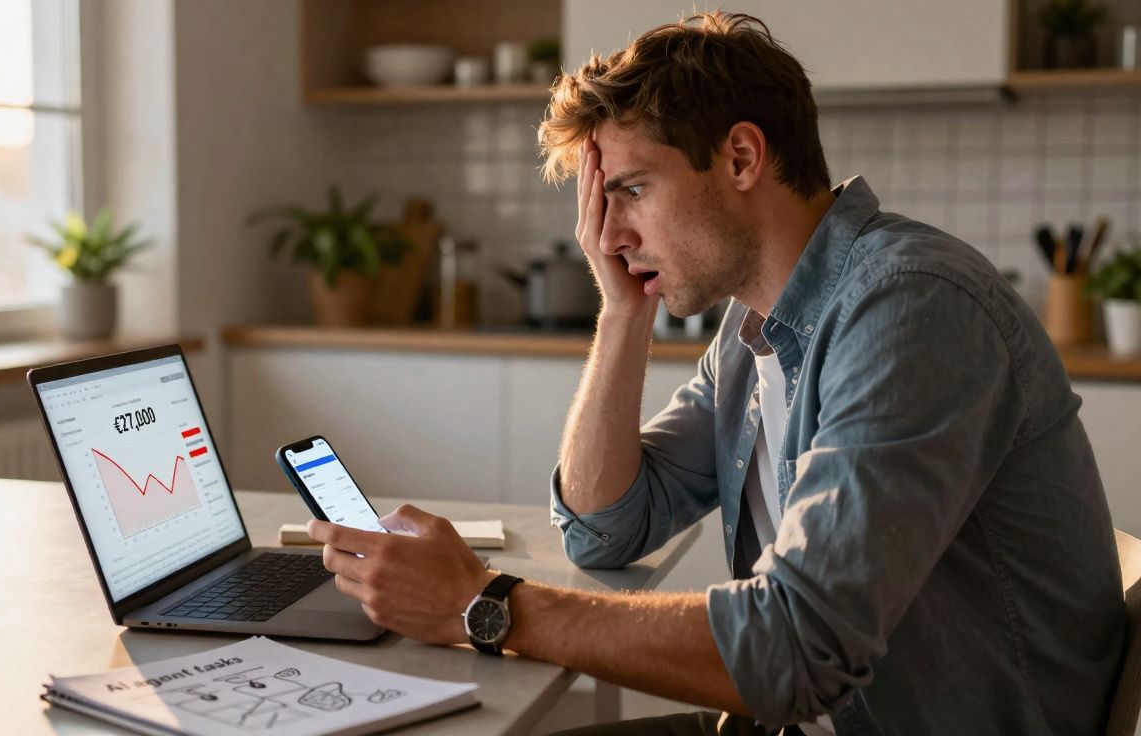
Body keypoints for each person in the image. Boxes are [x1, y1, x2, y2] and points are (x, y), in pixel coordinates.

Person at [306, 12, 1125, 735]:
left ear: (740, 156)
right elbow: (605, 525)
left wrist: (484, 603)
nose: (609, 234)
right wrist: (622, 310)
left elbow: (792, 653)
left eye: (629, 189)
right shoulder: (755, 328)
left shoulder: (908, 309)